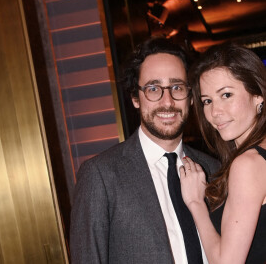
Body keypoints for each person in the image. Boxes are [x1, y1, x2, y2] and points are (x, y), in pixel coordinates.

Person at [69, 36, 220, 264]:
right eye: (153, 88)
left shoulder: (214, 169)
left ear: (190, 97)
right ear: (135, 98)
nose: (167, 101)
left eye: (177, 87)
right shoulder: (100, 175)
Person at [180, 42, 266, 263]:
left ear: (258, 95)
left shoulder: (248, 164)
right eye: (207, 101)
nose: (215, 112)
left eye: (226, 95)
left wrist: (196, 203)